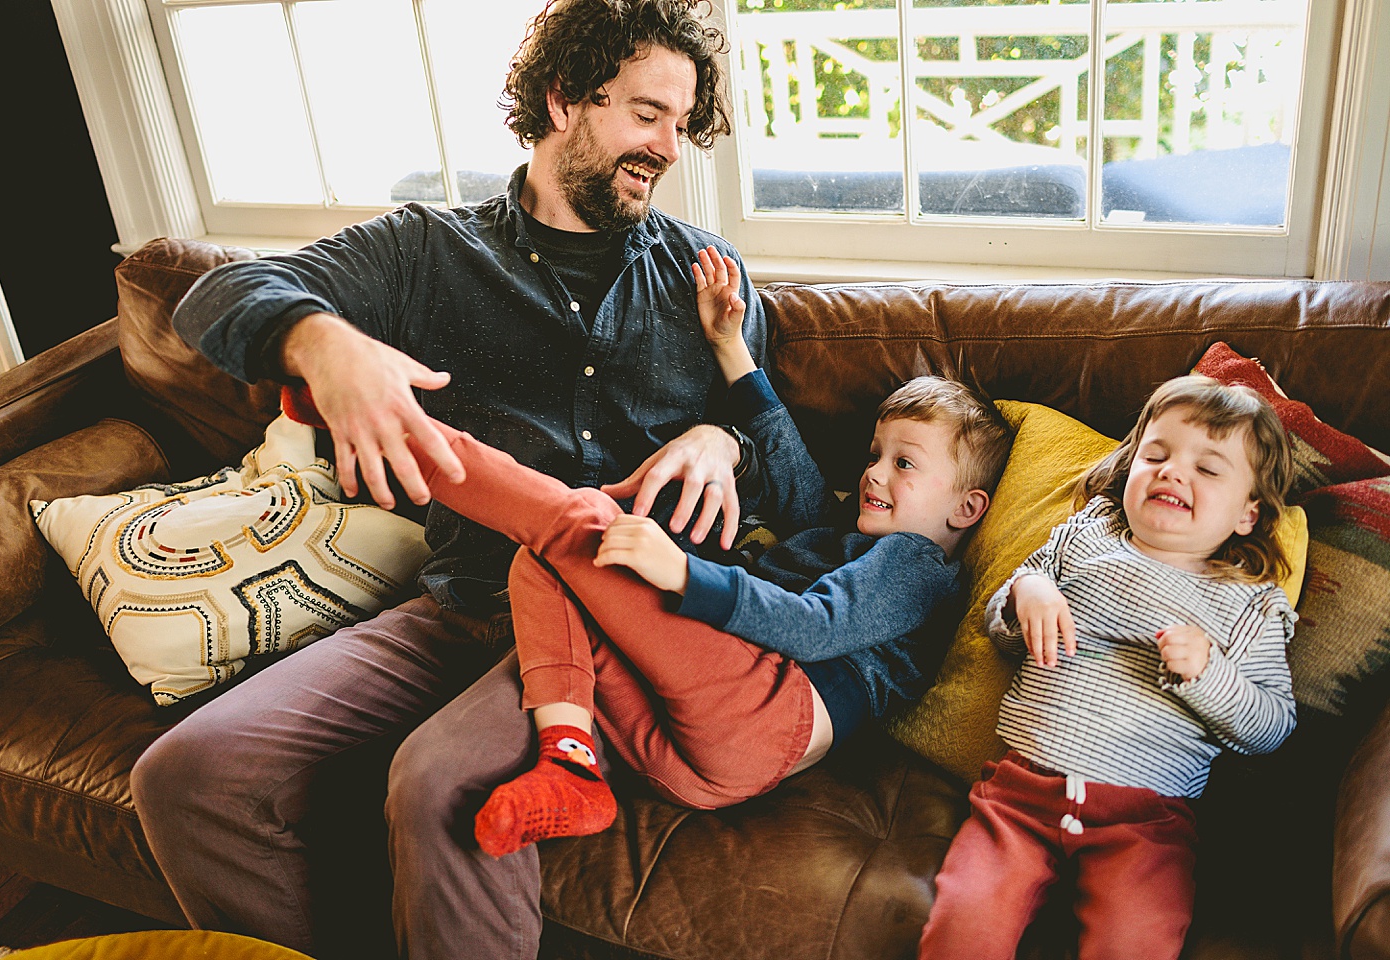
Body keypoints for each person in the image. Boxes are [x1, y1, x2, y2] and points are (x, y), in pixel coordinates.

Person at [131, 3, 767, 959]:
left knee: (446, 787)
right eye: (646, 115)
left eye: (681, 123)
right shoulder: (426, 251)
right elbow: (214, 296)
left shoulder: (701, 274)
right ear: (563, 100)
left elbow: (776, 440)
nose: (670, 147)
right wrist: (324, 342)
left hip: (618, 627)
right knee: (186, 775)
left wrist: (724, 439)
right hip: (464, 604)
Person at [318, 246, 1009, 857]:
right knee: (543, 562)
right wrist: (730, 345)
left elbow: (811, 626)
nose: (874, 473)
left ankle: (407, 438)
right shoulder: (840, 535)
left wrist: (682, 572)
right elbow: (785, 453)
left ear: (966, 508)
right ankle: (570, 765)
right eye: (874, 454)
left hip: (775, 715)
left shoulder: (919, 565)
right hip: (696, 765)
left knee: (581, 522)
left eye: (904, 464)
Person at [917, 374, 1299, 960]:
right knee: (963, 924)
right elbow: (1000, 628)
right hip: (1019, 798)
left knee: (1137, 941)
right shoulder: (1086, 537)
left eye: (1208, 468)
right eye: (1158, 454)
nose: (1174, 472)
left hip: (1145, 825)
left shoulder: (1250, 603)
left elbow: (1272, 727)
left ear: (1248, 514)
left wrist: (1209, 675)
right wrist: (1030, 593)